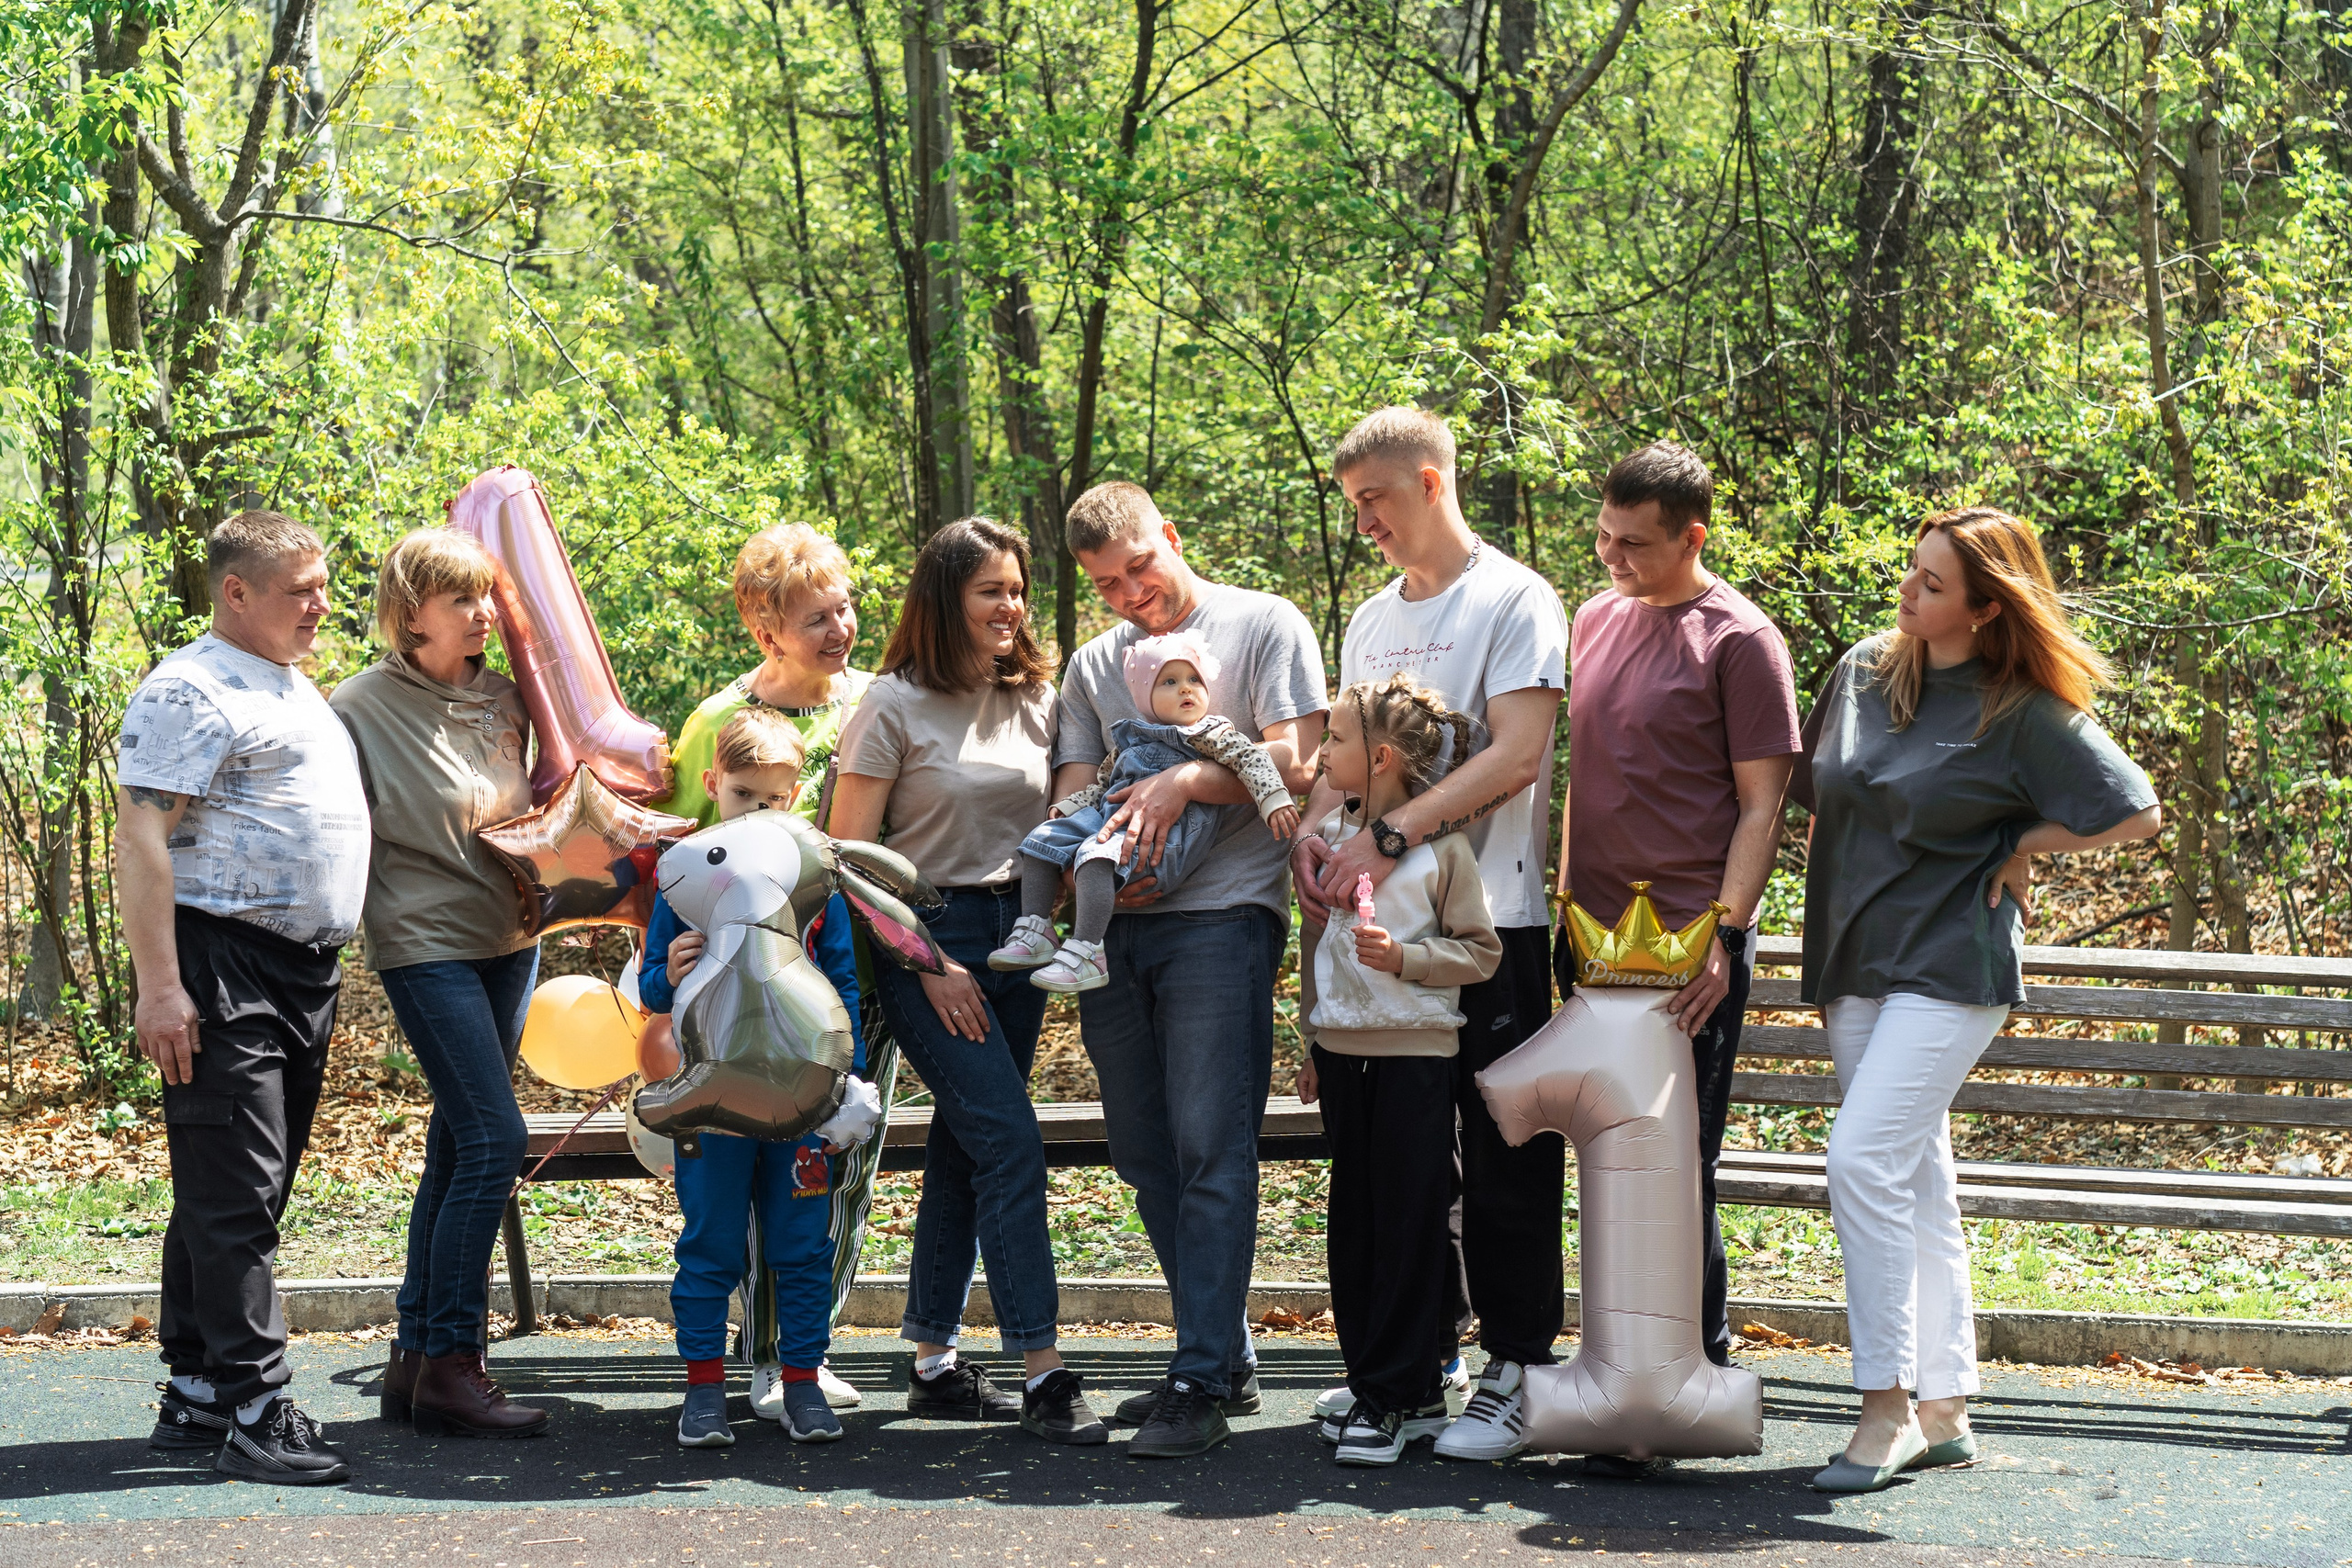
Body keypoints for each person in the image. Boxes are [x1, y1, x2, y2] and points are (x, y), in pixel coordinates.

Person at [1791, 507, 2160, 1493]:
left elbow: (2136, 809)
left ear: (1988, 609)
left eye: (1933, 585)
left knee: (1862, 1159)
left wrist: (2030, 843)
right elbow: (1815, 792)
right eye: (1909, 573)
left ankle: (1884, 1408)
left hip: (1952, 967)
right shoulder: (1862, 674)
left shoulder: (2019, 711)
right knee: (1914, 1177)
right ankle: (1946, 1403)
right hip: (1852, 956)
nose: (1908, 594)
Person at [1292, 409, 1566, 1462]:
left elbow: (1519, 755)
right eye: (1352, 503)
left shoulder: (1513, 598)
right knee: (1401, 1165)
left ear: (1433, 482)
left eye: (1377, 499)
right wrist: (1321, 844)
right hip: (1376, 946)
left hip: (1491, 918)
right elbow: (1339, 766)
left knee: (1503, 1151)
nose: (1363, 520)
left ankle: (1516, 1364)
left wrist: (1393, 834)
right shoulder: (1367, 618)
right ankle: (1420, 1359)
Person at [1056, 480, 1327, 1459]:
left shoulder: (1263, 624)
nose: (1133, 594)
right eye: (1107, 585)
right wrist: (1090, 854)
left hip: (1221, 923)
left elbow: (1296, 759)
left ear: (1170, 537)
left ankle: (1199, 1379)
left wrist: (1182, 780)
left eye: (1140, 567)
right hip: (1114, 927)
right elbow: (1073, 782)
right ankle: (1220, 1354)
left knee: (1212, 1147)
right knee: (1144, 1155)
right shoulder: (1095, 664)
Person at [829, 517, 1107, 1446]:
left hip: (1018, 937)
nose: (1012, 606)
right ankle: (1044, 1371)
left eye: (1019, 589)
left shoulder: (1037, 695)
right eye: (993, 589)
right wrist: (929, 962)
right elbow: (848, 861)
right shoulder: (891, 704)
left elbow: (1069, 811)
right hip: (927, 937)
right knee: (1010, 1141)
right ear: (947, 597)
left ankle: (935, 1367)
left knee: (968, 1144)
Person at [1555, 441, 1801, 1472]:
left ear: (1692, 536)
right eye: (1603, 537)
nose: (1613, 557)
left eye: (1636, 544)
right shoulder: (1593, 618)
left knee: (1669, 1164)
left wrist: (1728, 934)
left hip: (1688, 947)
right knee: (1607, 1155)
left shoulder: (1741, 640)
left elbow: (1763, 803)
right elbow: (1582, 781)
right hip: (1590, 941)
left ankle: (1682, 1374)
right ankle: (1635, 1365)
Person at [117, 512, 370, 1484]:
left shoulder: (291, 684)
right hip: (222, 962)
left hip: (299, 969)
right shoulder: (191, 687)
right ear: (236, 592)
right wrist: (162, 988)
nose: (321, 602)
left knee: (236, 1187)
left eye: (322, 583)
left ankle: (197, 1391)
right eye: (303, 587)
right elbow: (139, 840)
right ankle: (260, 1408)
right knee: (237, 1196)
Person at [330, 529, 549, 1438]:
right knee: (496, 1140)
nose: (484, 614)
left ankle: (415, 1366)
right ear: (409, 611)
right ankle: (460, 1362)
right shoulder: (355, 708)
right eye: (462, 600)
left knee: (456, 1148)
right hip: (424, 944)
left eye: (488, 597)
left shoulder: (506, 697)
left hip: (512, 937)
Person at [660, 524, 877, 1418]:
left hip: (842, 970)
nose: (841, 628)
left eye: (845, 607)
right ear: (764, 627)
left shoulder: (871, 703)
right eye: (815, 616)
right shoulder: (717, 723)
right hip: (734, 1000)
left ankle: (805, 1353)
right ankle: (755, 1362)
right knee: (736, 1191)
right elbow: (679, 862)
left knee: (833, 1175)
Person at [1294, 676, 1499, 1467]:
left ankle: (1403, 1393)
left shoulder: (1440, 849)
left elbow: (1481, 953)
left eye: (1336, 741)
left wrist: (1408, 957)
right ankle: (1381, 1379)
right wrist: (1313, 1040)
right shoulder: (1338, 839)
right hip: (1346, 1063)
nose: (1322, 755)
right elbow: (1319, 952)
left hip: (1415, 1064)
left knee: (1410, 1226)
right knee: (1357, 1226)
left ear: (1380, 757)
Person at [991, 630, 1299, 991]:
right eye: (1169, 681)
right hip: (1113, 822)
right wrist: (1067, 809)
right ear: (1143, 696)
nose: (1186, 689)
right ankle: (1036, 927)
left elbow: (1250, 759)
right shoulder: (1131, 737)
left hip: (1168, 840)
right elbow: (1103, 787)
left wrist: (1273, 798)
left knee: (1094, 853)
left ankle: (1088, 950)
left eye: (1194, 679)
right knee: (1042, 839)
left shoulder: (1209, 733)